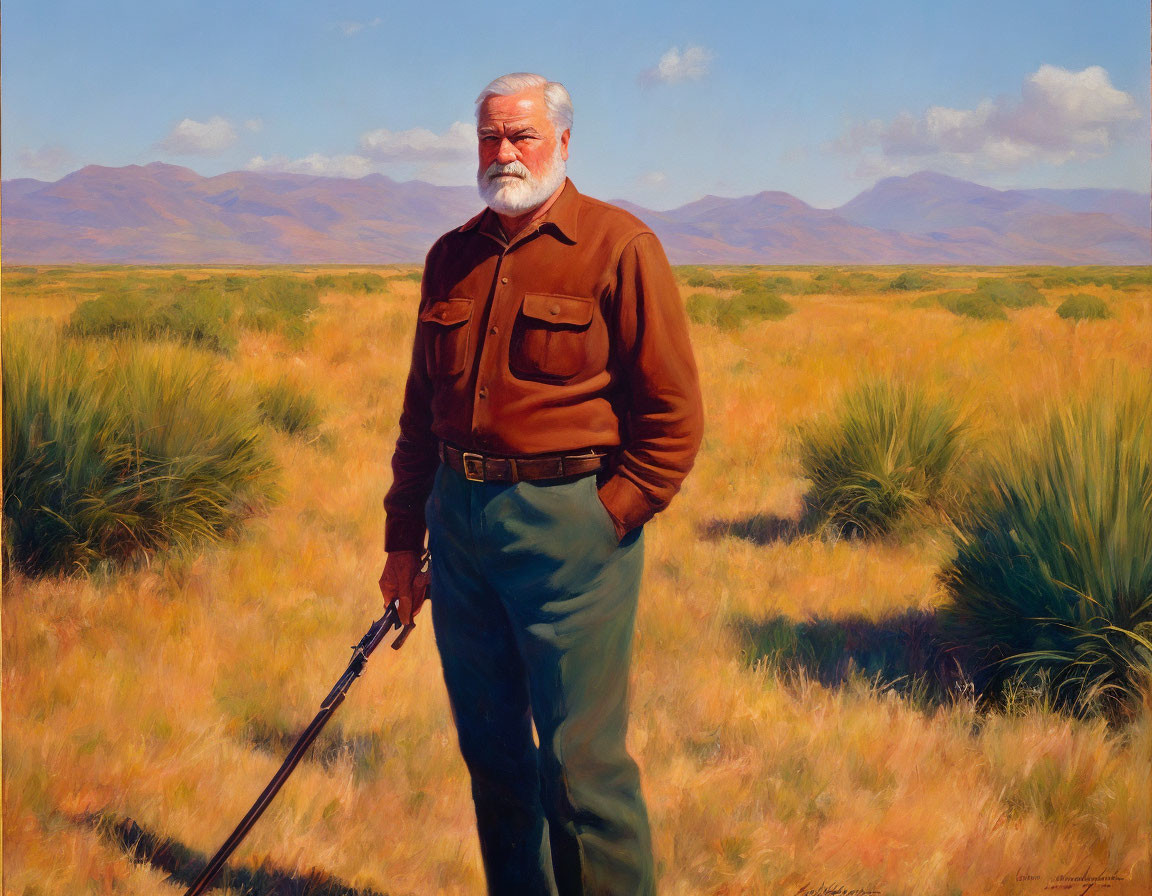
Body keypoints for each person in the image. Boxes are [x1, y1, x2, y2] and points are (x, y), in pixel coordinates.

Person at [379, 72, 704, 896]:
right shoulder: (449, 258)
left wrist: (606, 519)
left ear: (562, 141)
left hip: (570, 532)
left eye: (521, 136)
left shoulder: (618, 247)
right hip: (459, 529)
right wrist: (401, 543)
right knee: (492, 758)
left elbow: (672, 418)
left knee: (580, 769)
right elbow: (422, 417)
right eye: (490, 138)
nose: (504, 153)